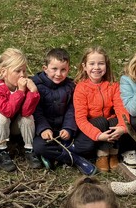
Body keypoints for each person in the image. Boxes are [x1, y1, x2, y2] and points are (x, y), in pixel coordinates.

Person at [31, 48, 95, 176]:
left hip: (64, 132)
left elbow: (72, 109)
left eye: (63, 70)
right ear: (45, 68)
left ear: (68, 69)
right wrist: (43, 129)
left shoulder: (70, 86)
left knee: (88, 144)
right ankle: (74, 159)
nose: (58, 74)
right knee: (39, 146)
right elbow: (36, 111)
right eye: (54, 69)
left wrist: (68, 128)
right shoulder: (36, 85)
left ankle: (53, 156)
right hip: (46, 132)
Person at [71, 46, 132, 173]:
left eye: (101, 63)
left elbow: (120, 108)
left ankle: (113, 153)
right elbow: (80, 119)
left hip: (109, 126)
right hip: (92, 128)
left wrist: (122, 127)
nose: (96, 67)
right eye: (92, 64)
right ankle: (102, 155)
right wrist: (98, 135)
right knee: (101, 121)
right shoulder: (81, 88)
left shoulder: (113, 85)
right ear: (84, 66)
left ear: (106, 65)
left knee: (115, 121)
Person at [0, 48, 42, 172]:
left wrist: (33, 92)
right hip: (1, 127)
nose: (22, 75)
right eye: (17, 71)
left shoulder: (25, 86)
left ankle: (29, 149)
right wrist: (20, 92)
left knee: (28, 117)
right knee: (1, 117)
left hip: (15, 127)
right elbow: (8, 111)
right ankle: (1, 151)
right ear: (4, 72)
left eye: (24, 71)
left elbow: (26, 111)